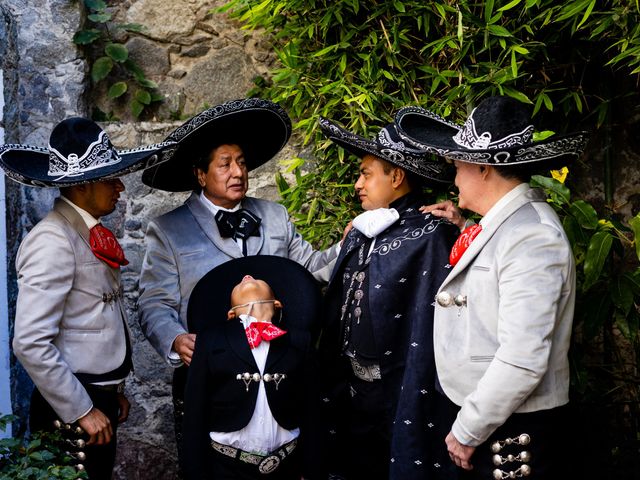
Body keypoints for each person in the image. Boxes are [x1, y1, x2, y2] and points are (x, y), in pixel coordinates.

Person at [137, 98, 343, 466]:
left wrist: (353, 240)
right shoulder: (168, 230)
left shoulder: (275, 215)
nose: (238, 172)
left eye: (242, 163)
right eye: (225, 164)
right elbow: (153, 303)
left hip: (283, 376)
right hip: (212, 379)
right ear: (201, 174)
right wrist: (174, 338)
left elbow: (312, 268)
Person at [395, 95, 589, 479]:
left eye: (457, 166)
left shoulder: (532, 236)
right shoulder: (508, 226)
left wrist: (468, 429)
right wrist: (467, 229)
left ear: (482, 167)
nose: (453, 177)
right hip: (490, 417)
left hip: (511, 431)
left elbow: (523, 356)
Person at [0, 117, 176, 479]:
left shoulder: (83, 232)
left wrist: (114, 392)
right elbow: (31, 343)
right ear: (81, 186)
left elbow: (92, 320)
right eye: (110, 178)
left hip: (97, 397)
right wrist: (81, 409)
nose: (120, 187)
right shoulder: (53, 240)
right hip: (71, 407)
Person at [317, 116, 461, 479]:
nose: (357, 185)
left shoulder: (433, 235)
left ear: (396, 177)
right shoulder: (359, 232)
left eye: (366, 174)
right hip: (350, 393)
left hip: (400, 393)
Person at [182, 255, 324, 480]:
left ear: (276, 303)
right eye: (238, 283)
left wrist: (313, 470)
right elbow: (194, 411)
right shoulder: (210, 340)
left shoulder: (299, 341)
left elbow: (312, 409)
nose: (246, 276)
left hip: (287, 464)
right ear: (231, 313)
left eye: (258, 278)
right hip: (226, 467)